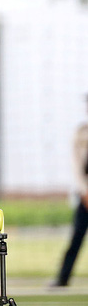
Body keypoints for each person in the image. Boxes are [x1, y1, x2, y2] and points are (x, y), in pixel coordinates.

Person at [54, 95, 88, 286]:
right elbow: (76, 165)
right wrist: (84, 191)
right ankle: (63, 279)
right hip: (85, 195)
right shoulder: (82, 133)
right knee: (76, 239)